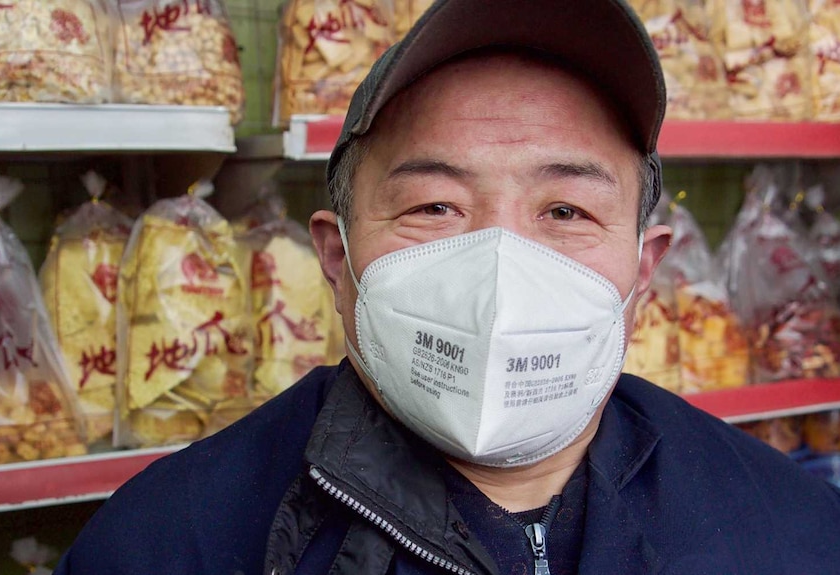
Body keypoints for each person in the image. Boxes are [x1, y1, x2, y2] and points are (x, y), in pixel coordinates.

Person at [55, 1, 840, 574]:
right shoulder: (165, 544)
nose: (500, 267)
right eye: (435, 206)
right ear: (336, 258)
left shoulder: (795, 531)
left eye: (565, 210)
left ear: (645, 268)